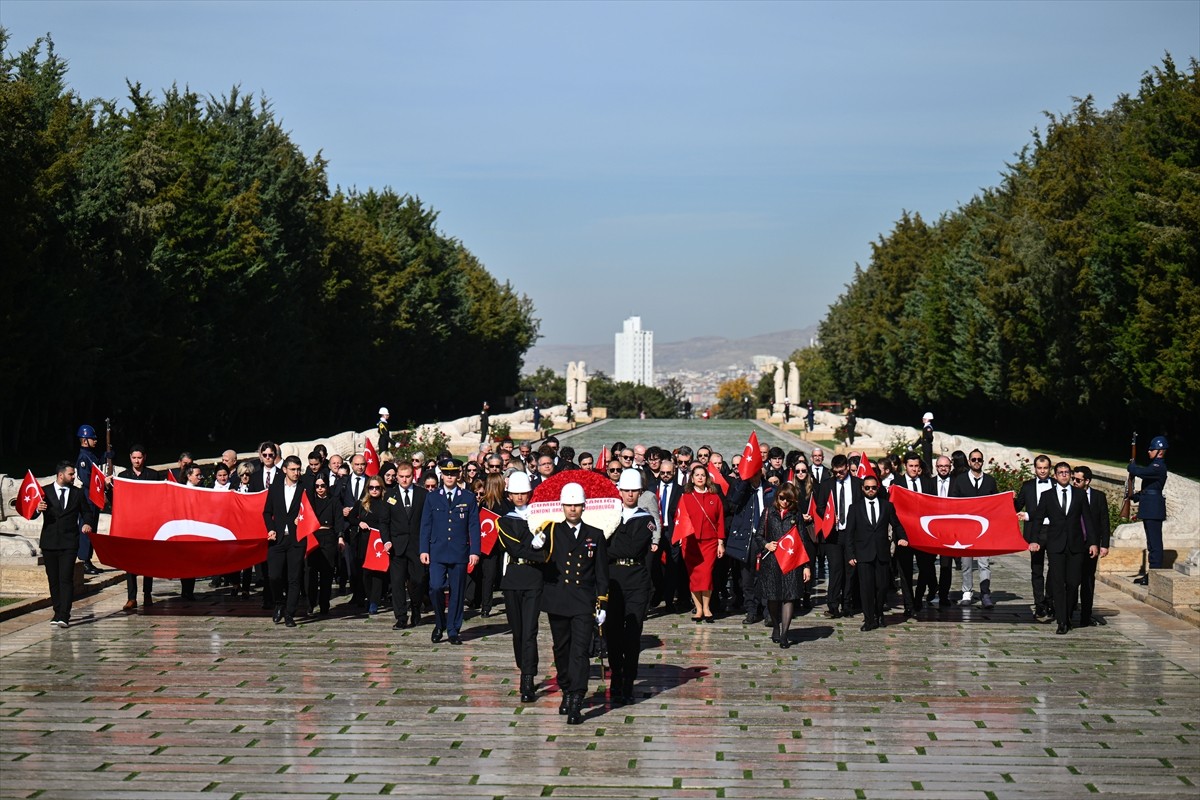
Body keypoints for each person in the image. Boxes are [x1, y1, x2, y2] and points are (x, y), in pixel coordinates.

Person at [525, 482, 608, 725]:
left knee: (580, 651)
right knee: (562, 649)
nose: (573, 509)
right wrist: (535, 544)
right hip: (559, 599)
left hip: (583, 600)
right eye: (569, 505)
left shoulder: (595, 534)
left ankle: (576, 697)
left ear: (584, 506)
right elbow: (539, 558)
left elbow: (601, 572)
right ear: (562, 506)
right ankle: (565, 687)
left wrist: (602, 603)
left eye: (577, 505)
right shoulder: (551, 531)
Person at [419, 458, 481, 645]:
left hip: (459, 551)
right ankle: (440, 623)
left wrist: (475, 551)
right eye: (446, 473)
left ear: (459, 474)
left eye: (453, 473)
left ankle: (454, 629)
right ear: (441, 474)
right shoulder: (432, 496)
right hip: (437, 550)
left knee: (457, 591)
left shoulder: (468, 497)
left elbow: (474, 526)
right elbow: (425, 525)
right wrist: (423, 549)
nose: (449, 477)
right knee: (436, 586)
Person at [607, 469, 656, 703]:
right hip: (613, 580)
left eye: (633, 491)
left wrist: (608, 546)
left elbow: (630, 549)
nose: (629, 494)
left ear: (639, 492)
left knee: (632, 634)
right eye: (625, 490)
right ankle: (616, 675)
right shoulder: (609, 516)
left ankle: (629, 680)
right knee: (612, 633)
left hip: (636, 580)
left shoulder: (645, 519)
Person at [1031, 462, 1096, 634]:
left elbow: (1088, 520)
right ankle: (1062, 621)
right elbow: (1038, 519)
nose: (1064, 475)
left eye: (1067, 472)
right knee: (1058, 583)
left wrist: (1093, 542)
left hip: (1075, 545)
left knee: (1074, 583)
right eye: (1060, 472)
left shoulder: (1080, 495)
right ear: (1055, 475)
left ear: (1071, 474)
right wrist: (1034, 540)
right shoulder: (1047, 496)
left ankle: (1067, 614)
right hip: (1056, 545)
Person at [495, 472, 543, 702]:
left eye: (524, 492)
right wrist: (533, 545)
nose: (520, 497)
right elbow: (512, 547)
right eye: (516, 493)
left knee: (530, 631)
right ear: (509, 495)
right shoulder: (504, 520)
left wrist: (540, 547)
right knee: (518, 630)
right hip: (514, 577)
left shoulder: (540, 517)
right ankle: (523, 665)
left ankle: (528, 677)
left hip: (534, 577)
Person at [38, 461, 95, 628]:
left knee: (66, 578)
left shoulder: (77, 493)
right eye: (71, 474)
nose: (74, 477)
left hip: (69, 542)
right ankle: (57, 611)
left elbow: (87, 511)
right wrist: (37, 509)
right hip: (49, 542)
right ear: (61, 475)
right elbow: (32, 512)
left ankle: (65, 614)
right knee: (53, 579)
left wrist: (87, 523)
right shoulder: (46, 491)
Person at [754, 484, 811, 648]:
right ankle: (776, 627)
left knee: (789, 596)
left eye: (788, 499)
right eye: (782, 498)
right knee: (773, 596)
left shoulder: (796, 514)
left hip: (791, 561)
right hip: (772, 562)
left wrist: (806, 566)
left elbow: (803, 540)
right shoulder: (767, 512)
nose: (785, 502)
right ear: (777, 496)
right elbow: (758, 536)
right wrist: (766, 544)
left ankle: (785, 633)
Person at [846, 475, 902, 631]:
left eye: (874, 487)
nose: (871, 490)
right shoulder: (855, 508)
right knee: (866, 588)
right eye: (867, 487)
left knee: (883, 586)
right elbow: (849, 533)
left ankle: (879, 614)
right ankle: (869, 619)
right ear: (863, 489)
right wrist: (850, 555)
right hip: (863, 554)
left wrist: (903, 537)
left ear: (878, 488)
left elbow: (896, 524)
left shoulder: (887, 506)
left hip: (882, 553)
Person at [262, 455, 307, 627]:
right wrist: (271, 528)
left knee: (294, 578)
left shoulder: (305, 488)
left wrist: (302, 520)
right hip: (278, 539)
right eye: (293, 469)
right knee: (274, 575)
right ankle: (279, 603)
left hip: (296, 539)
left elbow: (311, 511)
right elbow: (267, 512)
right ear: (285, 470)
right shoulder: (275, 488)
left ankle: (290, 613)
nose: (296, 473)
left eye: (298, 469)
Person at [679, 463, 725, 622]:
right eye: (697, 475)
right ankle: (698, 609)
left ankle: (707, 607)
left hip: (710, 542)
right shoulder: (685, 497)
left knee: (706, 575)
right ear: (692, 478)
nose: (700, 478)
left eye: (703, 475)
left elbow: (720, 521)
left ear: (707, 478)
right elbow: (680, 519)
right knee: (694, 576)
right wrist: (680, 536)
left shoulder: (715, 497)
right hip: (690, 542)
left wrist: (720, 542)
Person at [953, 449, 999, 607]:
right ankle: (967, 592)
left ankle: (985, 593)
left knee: (984, 562)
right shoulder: (960, 480)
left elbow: (997, 502)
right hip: (966, 528)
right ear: (969, 461)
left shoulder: (990, 481)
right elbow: (953, 502)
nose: (977, 462)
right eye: (974, 459)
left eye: (979, 459)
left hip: (985, 528)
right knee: (966, 563)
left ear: (983, 461)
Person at [726, 466, 770, 625]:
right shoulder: (741, 489)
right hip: (747, 538)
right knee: (747, 578)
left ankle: (767, 611)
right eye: (751, 473)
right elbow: (732, 502)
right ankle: (751, 610)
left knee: (765, 577)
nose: (754, 476)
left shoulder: (770, 489)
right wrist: (744, 483)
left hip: (766, 538)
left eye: (757, 472)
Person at [817, 454, 860, 618]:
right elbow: (820, 507)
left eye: (841, 471)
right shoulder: (827, 484)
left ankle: (847, 604)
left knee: (850, 570)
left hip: (851, 534)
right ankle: (833, 605)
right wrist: (829, 514)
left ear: (847, 468)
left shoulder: (857, 484)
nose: (838, 475)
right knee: (835, 569)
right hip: (833, 534)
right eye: (835, 472)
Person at [1015, 455, 1056, 621]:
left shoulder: (1056, 485)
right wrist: (1009, 499)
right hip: (1035, 532)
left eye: (1045, 468)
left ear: (1050, 468)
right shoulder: (1027, 486)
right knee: (1036, 568)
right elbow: (1017, 507)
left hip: (1054, 530)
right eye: (1039, 468)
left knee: (1055, 568)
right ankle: (1039, 604)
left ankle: (1050, 600)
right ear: (1035, 468)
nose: (1042, 471)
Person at [387, 462, 427, 629]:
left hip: (417, 545)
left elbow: (427, 521)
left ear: (413, 476)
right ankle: (401, 617)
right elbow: (384, 521)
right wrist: (386, 540)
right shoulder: (389, 495)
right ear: (397, 477)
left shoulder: (422, 494)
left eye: (407, 476)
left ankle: (416, 608)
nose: (404, 480)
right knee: (397, 582)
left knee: (418, 580)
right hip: (397, 546)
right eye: (401, 477)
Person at [122, 445, 160, 611]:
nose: (136, 461)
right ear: (130, 458)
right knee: (130, 562)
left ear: (144, 457)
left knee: (148, 561)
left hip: (148, 523)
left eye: (139, 458)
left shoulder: (153, 475)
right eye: (134, 458)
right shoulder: (124, 476)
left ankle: (147, 593)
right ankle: (131, 597)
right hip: (130, 524)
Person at [350, 474, 394, 617]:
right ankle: (368, 597)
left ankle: (374, 601)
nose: (374, 490)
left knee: (378, 573)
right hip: (364, 540)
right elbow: (350, 517)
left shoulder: (386, 502)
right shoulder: (362, 503)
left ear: (382, 488)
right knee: (366, 573)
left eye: (377, 487)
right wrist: (359, 523)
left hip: (380, 540)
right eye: (371, 487)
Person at [893, 453, 931, 615]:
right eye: (911, 466)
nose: (914, 469)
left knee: (926, 569)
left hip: (923, 535)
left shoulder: (928, 483)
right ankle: (909, 605)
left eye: (916, 466)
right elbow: (893, 512)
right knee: (905, 572)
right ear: (905, 466)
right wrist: (900, 535)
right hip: (904, 536)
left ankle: (918, 599)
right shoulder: (898, 484)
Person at [1073, 465, 1111, 626]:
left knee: (1088, 580)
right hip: (1073, 545)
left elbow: (1104, 522)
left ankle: (1086, 616)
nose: (1074, 482)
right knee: (1072, 580)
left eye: (1078, 480)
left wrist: (1104, 544)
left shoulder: (1098, 497)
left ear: (1087, 481)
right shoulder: (1069, 494)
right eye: (1073, 478)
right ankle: (1069, 611)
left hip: (1091, 545)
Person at [1129, 436, 1168, 585]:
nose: (1149, 451)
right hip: (1150, 507)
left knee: (1155, 543)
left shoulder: (1158, 466)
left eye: (1151, 449)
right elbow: (1150, 488)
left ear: (1159, 452)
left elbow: (1142, 472)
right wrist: (1136, 496)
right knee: (1151, 543)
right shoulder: (1154, 466)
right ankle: (1151, 574)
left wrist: (1132, 467)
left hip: (1154, 509)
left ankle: (1155, 575)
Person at [471, 473, 509, 617]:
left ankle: (484, 605)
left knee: (486, 576)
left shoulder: (484, 503)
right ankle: (485, 605)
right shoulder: (504, 504)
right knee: (491, 576)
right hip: (496, 545)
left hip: (487, 545)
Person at [305, 474, 341, 616]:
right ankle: (310, 603)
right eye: (317, 486)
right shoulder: (310, 501)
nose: (320, 489)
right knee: (311, 574)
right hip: (313, 538)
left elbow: (338, 520)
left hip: (328, 538)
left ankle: (324, 604)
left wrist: (340, 537)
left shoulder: (334, 501)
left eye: (323, 485)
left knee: (327, 574)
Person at [338, 453, 370, 608]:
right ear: (351, 465)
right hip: (348, 528)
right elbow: (335, 501)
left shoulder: (371, 482)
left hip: (365, 529)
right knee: (351, 563)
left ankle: (365, 594)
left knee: (364, 563)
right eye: (357, 464)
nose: (360, 467)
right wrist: (342, 509)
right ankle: (356, 593)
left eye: (362, 464)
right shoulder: (344, 482)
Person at [74, 424, 107, 575]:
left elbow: (98, 464)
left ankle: (88, 560)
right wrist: (101, 484)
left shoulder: (90, 454)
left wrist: (107, 456)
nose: (95, 441)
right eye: (93, 439)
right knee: (86, 528)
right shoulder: (83, 457)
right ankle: (84, 560)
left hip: (94, 494)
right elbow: (87, 478)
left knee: (92, 528)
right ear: (85, 440)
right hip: (88, 496)